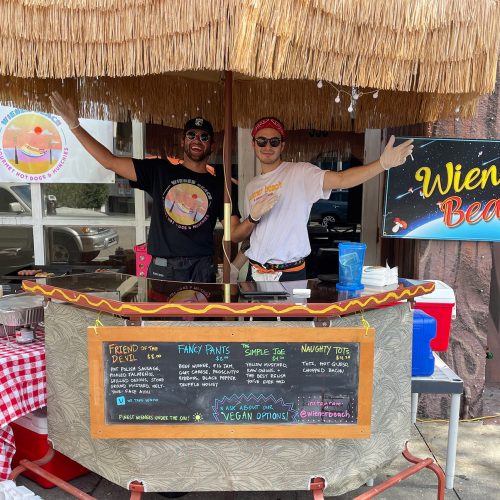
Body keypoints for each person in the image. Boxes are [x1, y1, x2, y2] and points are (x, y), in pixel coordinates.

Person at [49, 92, 274, 283]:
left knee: (201, 332)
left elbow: (234, 235)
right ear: (183, 141)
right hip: (164, 269)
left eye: (204, 136)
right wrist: (74, 126)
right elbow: (109, 160)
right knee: (162, 329)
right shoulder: (160, 171)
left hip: (201, 269)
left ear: (212, 145)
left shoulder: (220, 185)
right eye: (191, 135)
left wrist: (253, 218)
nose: (197, 139)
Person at [231, 117, 414, 282]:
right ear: (253, 144)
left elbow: (341, 179)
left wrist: (382, 164)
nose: (267, 147)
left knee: (290, 321)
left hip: (289, 273)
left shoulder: (300, 173)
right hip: (255, 272)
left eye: (274, 141)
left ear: (283, 145)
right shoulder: (252, 187)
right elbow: (254, 236)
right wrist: (235, 265)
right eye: (262, 141)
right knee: (256, 321)